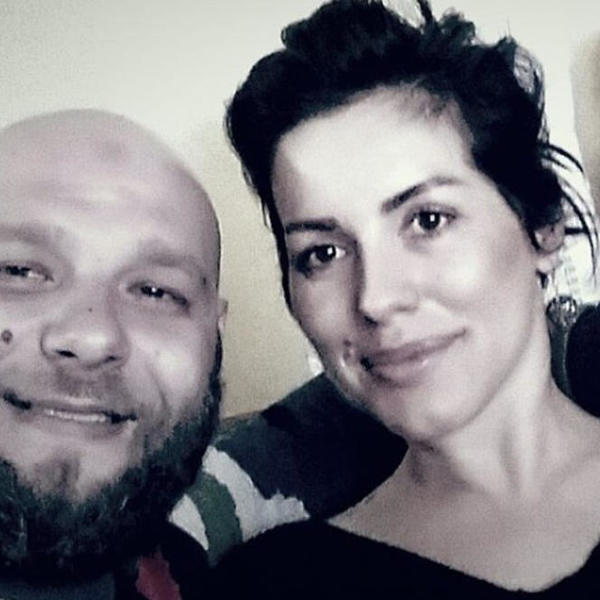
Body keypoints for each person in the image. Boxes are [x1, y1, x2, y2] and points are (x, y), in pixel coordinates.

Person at [215, 0, 600, 595]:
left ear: (543, 226)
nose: (376, 298)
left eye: (428, 220)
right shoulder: (275, 583)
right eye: (322, 253)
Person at [0, 109, 225, 599]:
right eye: (18, 271)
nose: (91, 338)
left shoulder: (191, 571)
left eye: (155, 291)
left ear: (215, 334)